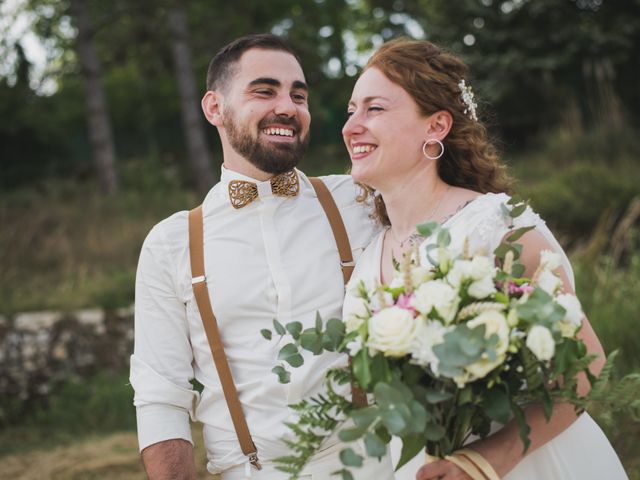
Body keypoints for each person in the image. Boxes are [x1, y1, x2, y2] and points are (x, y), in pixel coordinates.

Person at [341, 38, 628, 479]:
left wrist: (484, 461)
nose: (352, 126)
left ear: (436, 126)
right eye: (350, 111)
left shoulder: (496, 228)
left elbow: (584, 371)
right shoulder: (369, 256)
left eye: (374, 109)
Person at [130, 34, 394, 479]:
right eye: (265, 91)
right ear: (214, 108)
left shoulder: (363, 200)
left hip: (377, 467)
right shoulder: (170, 244)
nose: (288, 107)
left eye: (299, 94)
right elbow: (161, 396)